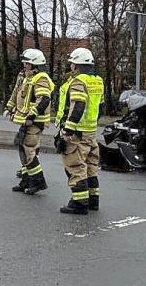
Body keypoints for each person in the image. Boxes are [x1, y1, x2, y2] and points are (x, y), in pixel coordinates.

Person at [55, 48, 104, 214]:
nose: (71, 66)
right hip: (91, 132)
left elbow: (78, 105)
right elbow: (101, 107)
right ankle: (93, 200)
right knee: (91, 167)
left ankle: (79, 203)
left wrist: (68, 129)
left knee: (75, 166)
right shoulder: (98, 81)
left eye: (72, 63)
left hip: (77, 132)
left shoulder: (78, 82)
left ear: (76, 65)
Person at [7, 48, 54, 195]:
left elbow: (44, 99)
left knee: (29, 150)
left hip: (35, 121)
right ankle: (26, 180)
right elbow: (19, 95)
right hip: (27, 121)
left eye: (27, 63)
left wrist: (31, 116)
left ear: (35, 64)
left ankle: (38, 182)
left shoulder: (41, 78)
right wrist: (10, 108)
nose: (24, 65)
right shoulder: (28, 77)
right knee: (23, 148)